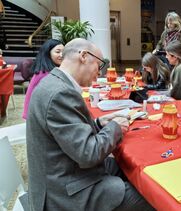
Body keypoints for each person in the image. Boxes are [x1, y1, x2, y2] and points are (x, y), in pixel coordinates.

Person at [26, 38, 154, 211]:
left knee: (127, 166)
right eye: (99, 65)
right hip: (65, 193)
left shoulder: (53, 83)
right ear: (84, 56)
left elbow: (66, 133)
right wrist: (115, 127)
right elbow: (89, 154)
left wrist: (100, 123)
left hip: (60, 172)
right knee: (149, 195)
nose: (100, 74)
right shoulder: (60, 93)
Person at [22, 39, 64, 119]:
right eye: (58, 52)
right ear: (48, 54)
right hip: (37, 117)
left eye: (63, 52)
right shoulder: (44, 74)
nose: (62, 55)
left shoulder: (51, 70)